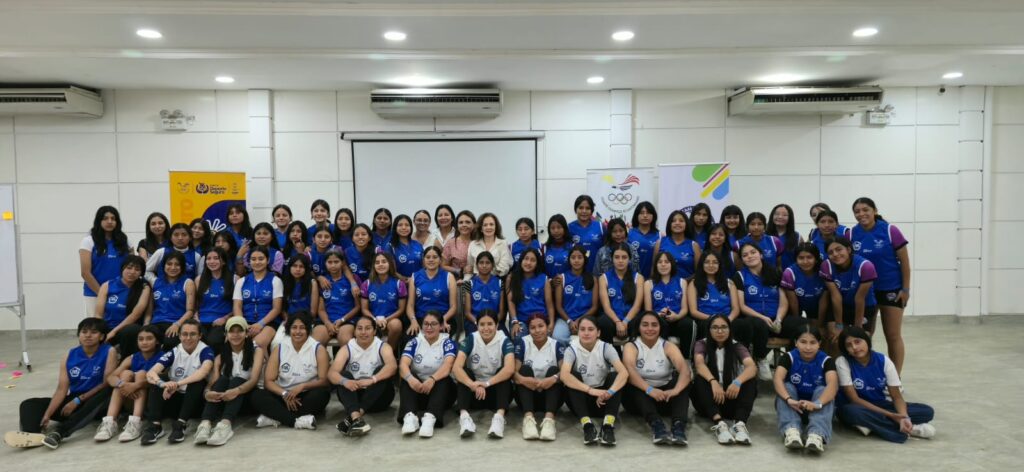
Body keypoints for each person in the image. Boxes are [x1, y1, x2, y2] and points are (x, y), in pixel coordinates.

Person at [8, 318, 117, 450]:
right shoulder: (69, 355)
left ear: (101, 336)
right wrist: (48, 414)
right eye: (84, 332)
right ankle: (32, 435)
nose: (88, 335)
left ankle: (60, 432)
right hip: (74, 400)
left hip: (97, 400)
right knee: (30, 404)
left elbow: (106, 383)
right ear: (79, 335)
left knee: (108, 391)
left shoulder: (109, 351)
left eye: (94, 332)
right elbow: (61, 389)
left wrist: (78, 400)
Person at [835, 326, 935, 443]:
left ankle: (875, 425)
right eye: (849, 345)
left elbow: (896, 397)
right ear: (845, 349)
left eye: (857, 342)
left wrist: (904, 417)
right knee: (851, 412)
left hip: (880, 404)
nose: (854, 347)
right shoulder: (842, 362)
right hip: (856, 407)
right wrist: (891, 415)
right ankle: (910, 429)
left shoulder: (884, 361)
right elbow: (854, 399)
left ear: (867, 340)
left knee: (927, 411)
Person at [850, 197, 910, 374]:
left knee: (892, 335)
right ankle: (867, 375)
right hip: (865, 291)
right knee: (864, 335)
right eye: (857, 211)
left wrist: (905, 289)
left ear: (875, 211)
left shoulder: (890, 230)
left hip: (891, 289)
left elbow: (905, 263)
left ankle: (895, 379)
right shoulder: (852, 234)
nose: (861, 214)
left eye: (865, 210)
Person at [250, 311, 331, 430]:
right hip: (283, 395)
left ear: (308, 329)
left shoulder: (318, 348)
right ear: (288, 329)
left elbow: (324, 381)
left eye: (302, 328)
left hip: (306, 395)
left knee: (322, 394)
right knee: (257, 395)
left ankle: (276, 416)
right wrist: (285, 394)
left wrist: (303, 386)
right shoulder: (279, 348)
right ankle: (297, 421)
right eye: (294, 327)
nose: (298, 331)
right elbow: (269, 381)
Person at [622, 311, 691, 446]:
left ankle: (678, 426)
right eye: (645, 325)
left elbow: (685, 371)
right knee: (632, 383)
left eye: (654, 325)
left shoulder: (668, 345)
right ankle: (657, 425)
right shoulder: (631, 346)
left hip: (665, 397)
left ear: (660, 327)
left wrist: (675, 391)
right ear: (638, 327)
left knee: (682, 382)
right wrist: (649, 390)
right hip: (640, 401)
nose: (650, 329)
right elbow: (629, 371)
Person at [194, 317, 264, 446]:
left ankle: (225, 425)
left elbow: (254, 380)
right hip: (228, 399)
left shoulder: (256, 350)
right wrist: (207, 392)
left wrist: (236, 391)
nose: (235, 335)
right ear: (226, 334)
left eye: (239, 331)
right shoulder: (221, 355)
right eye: (232, 331)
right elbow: (213, 381)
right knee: (222, 380)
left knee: (237, 380)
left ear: (246, 333)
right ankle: (205, 423)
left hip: (250, 398)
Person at [142, 319, 214, 445]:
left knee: (197, 381)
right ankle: (155, 426)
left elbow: (203, 372)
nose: (188, 338)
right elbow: (151, 373)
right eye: (184, 334)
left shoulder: (206, 351)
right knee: (158, 380)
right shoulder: (175, 351)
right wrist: (163, 384)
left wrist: (177, 384)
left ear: (200, 336)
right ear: (179, 336)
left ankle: (180, 424)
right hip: (173, 400)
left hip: (195, 403)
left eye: (192, 334)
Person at [560, 316, 629, 446]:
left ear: (598, 333)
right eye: (582, 329)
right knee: (572, 375)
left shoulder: (606, 348)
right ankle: (587, 425)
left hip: (603, 401)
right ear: (578, 332)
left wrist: (609, 392)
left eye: (590, 329)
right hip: (581, 401)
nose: (586, 333)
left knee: (614, 376)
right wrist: (591, 391)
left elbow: (624, 373)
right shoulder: (571, 349)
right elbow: (564, 375)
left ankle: (608, 425)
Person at [691, 315, 757, 445]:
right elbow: (699, 364)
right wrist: (713, 381)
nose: (720, 331)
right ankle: (719, 424)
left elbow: (751, 367)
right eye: (715, 327)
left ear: (729, 329)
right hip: (709, 402)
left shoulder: (737, 346)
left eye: (724, 327)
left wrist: (737, 382)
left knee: (750, 380)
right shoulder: (702, 344)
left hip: (730, 398)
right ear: (709, 330)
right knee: (700, 379)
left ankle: (739, 424)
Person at [329, 316, 398, 437]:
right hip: (355, 396)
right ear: (355, 331)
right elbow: (331, 373)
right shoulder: (347, 348)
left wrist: (372, 380)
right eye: (360, 328)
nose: (363, 332)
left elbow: (392, 366)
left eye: (368, 328)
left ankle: (353, 416)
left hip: (378, 398)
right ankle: (357, 418)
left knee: (382, 371)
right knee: (343, 376)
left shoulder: (382, 346)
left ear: (374, 331)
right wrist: (345, 382)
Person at [773, 325, 837, 452]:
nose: (808, 347)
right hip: (793, 407)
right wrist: (788, 399)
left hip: (818, 409)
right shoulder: (788, 357)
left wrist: (817, 404)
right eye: (803, 342)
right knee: (787, 386)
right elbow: (777, 379)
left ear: (819, 344)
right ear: (796, 342)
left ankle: (816, 435)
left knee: (822, 389)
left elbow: (833, 385)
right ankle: (792, 431)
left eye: (813, 342)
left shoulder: (826, 360)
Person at [94, 325, 163, 443]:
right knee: (125, 374)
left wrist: (136, 385)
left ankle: (136, 422)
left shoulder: (163, 357)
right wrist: (123, 384)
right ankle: (110, 422)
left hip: (152, 402)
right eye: (141, 339)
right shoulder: (132, 358)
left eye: (149, 338)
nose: (144, 342)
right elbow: (111, 377)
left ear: (157, 341)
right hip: (131, 399)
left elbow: (162, 380)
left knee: (141, 374)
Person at [734, 242, 792, 381]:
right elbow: (742, 306)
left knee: (798, 325)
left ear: (760, 254)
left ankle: (793, 367)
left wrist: (778, 319)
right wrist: (762, 317)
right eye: (745, 255)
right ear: (742, 260)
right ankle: (761, 359)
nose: (750, 256)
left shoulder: (776, 273)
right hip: (754, 318)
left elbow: (783, 302)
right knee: (757, 324)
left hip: (776, 317)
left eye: (753, 252)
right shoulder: (740, 276)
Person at [453, 312, 515, 438]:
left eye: (490, 324)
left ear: (497, 325)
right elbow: (456, 367)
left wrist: (487, 384)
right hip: (474, 394)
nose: (486, 328)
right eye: (482, 324)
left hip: (495, 394)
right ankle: (464, 417)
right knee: (465, 372)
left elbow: (510, 369)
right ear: (477, 326)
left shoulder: (504, 340)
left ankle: (499, 418)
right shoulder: (471, 338)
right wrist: (472, 384)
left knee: (503, 372)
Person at [398, 312, 457, 438]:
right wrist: (411, 379)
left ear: (441, 326)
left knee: (444, 378)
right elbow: (403, 364)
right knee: (407, 376)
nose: (429, 327)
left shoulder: (447, 343)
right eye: (426, 324)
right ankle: (410, 417)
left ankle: (430, 418)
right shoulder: (414, 342)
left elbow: (448, 366)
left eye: (433, 324)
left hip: (442, 394)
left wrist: (432, 379)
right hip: (419, 391)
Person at [514, 314, 564, 441]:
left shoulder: (556, 345)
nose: (537, 330)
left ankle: (549, 421)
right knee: (524, 369)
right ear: (528, 330)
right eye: (533, 327)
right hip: (527, 396)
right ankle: (528, 419)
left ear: (548, 327)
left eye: (541, 326)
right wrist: (524, 380)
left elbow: (565, 371)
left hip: (551, 397)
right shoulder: (522, 342)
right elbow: (513, 372)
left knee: (554, 370)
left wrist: (553, 379)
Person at [820, 238, 878, 340]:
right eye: (830, 252)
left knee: (860, 340)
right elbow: (836, 296)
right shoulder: (826, 266)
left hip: (864, 306)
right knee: (835, 337)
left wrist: (857, 327)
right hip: (842, 306)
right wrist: (839, 325)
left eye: (839, 249)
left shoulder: (865, 266)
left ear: (848, 249)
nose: (835, 254)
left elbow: (859, 299)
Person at [95, 255, 150, 357]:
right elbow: (98, 314)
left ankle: (125, 361)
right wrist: (98, 331)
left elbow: (136, 314)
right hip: (107, 327)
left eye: (137, 269)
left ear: (141, 273)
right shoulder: (107, 285)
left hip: (126, 328)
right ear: (122, 268)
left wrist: (113, 332)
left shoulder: (144, 287)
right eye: (129, 268)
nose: (132, 272)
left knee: (131, 331)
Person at [643, 252, 695, 358]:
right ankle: (661, 359)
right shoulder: (649, 284)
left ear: (672, 264)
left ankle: (687, 359)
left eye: (666, 262)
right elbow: (648, 310)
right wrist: (658, 315)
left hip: (677, 318)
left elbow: (685, 309)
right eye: (660, 262)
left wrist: (676, 316)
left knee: (688, 324)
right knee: (661, 323)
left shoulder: (682, 282)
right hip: (658, 319)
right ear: (655, 265)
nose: (663, 264)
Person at [80, 206, 131, 316]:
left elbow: (133, 268)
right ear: (99, 221)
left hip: (121, 293)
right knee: (96, 325)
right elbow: (85, 273)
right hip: (94, 294)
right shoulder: (88, 241)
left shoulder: (125, 241)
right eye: (105, 218)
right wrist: (102, 294)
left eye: (113, 218)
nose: (110, 221)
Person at [232, 246, 283, 350]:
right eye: (253, 259)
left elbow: (277, 309)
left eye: (261, 259)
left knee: (257, 344)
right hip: (246, 321)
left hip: (268, 322)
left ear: (268, 260)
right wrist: (243, 324)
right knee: (232, 341)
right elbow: (237, 306)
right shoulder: (241, 281)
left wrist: (260, 324)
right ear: (249, 261)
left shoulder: (276, 280)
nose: (257, 262)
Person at [146, 251, 197, 351]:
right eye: (169, 264)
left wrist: (177, 324)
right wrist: (146, 325)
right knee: (146, 341)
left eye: (177, 264)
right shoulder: (155, 282)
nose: (173, 267)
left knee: (170, 342)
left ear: (182, 267)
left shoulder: (188, 283)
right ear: (163, 266)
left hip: (177, 322)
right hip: (156, 323)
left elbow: (190, 311)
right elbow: (149, 311)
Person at [361, 252, 408, 353]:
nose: (381, 264)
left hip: (391, 319)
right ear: (374, 266)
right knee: (362, 326)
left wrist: (386, 320)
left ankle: (388, 353)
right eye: (377, 262)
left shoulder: (399, 284)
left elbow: (401, 309)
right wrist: (375, 320)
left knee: (396, 325)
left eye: (384, 261)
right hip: (372, 319)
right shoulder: (366, 284)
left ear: (390, 264)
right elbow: (364, 309)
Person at [598, 243, 645, 344]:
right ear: (612, 259)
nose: (620, 260)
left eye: (624, 257)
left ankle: (633, 351)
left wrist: (625, 321)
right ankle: (609, 352)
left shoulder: (639, 278)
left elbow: (637, 306)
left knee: (639, 321)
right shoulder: (603, 278)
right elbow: (606, 307)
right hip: (612, 318)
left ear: (629, 259)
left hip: (630, 318)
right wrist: (618, 322)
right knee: (603, 322)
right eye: (617, 257)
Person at [314, 248, 362, 346]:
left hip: (346, 320)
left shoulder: (352, 280)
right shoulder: (323, 282)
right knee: (315, 343)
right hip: (326, 321)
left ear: (342, 263)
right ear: (325, 264)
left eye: (336, 262)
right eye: (329, 262)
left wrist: (342, 320)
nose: (333, 265)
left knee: (345, 341)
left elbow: (357, 307)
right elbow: (321, 309)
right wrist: (327, 323)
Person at [687, 252, 740, 339]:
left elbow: (736, 308)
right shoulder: (694, 283)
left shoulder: (729, 282)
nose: (711, 265)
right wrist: (713, 319)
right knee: (706, 326)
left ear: (719, 265)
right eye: (707, 262)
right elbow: (693, 311)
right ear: (702, 264)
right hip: (705, 319)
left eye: (715, 262)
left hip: (727, 318)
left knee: (742, 325)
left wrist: (728, 319)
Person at [553, 245, 598, 343]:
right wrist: (569, 321)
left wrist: (579, 320)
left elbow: (594, 307)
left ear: (584, 259)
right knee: (557, 337)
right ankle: (573, 348)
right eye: (573, 257)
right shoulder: (561, 278)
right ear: (569, 260)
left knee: (589, 337)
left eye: (580, 257)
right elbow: (558, 306)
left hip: (586, 318)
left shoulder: (592, 279)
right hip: (565, 319)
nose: (576, 260)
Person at [407, 246, 458, 333]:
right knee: (410, 338)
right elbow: (410, 305)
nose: (431, 260)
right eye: (428, 257)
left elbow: (453, 307)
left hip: (443, 318)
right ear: (423, 260)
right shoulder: (415, 276)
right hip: (421, 319)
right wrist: (413, 321)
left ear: (440, 260)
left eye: (435, 257)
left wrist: (443, 320)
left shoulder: (449, 277)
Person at [781, 243, 827, 334]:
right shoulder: (789, 273)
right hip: (798, 306)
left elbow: (824, 300)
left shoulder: (824, 270)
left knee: (825, 332)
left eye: (809, 257)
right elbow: (793, 302)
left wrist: (820, 324)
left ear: (816, 259)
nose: (805, 262)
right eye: (801, 258)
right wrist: (798, 323)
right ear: (796, 259)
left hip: (818, 306)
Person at [507, 248, 553, 339]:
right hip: (521, 320)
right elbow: (511, 302)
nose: (528, 263)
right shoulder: (512, 277)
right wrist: (515, 322)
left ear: (537, 263)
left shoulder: (544, 279)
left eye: (532, 260)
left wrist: (551, 323)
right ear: (521, 260)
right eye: (526, 259)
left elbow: (549, 304)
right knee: (518, 336)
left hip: (540, 319)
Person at [195, 248, 235, 350]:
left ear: (224, 261)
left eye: (216, 258)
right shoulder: (199, 279)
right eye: (208, 259)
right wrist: (196, 317)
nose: (212, 261)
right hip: (201, 321)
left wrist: (225, 319)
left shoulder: (234, 279)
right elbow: (195, 304)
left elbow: (237, 306)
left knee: (214, 341)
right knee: (196, 340)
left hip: (222, 320)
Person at [464, 251, 504, 336]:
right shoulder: (470, 283)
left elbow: (501, 312)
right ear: (476, 265)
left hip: (494, 322)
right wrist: (479, 323)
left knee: (506, 340)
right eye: (481, 263)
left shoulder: (499, 283)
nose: (484, 265)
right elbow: (467, 313)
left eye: (487, 263)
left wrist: (492, 324)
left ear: (492, 265)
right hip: (474, 322)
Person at [653, 210, 700, 279]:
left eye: (681, 221)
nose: (677, 223)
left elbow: (699, 272)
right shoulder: (660, 243)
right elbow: (654, 269)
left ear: (686, 224)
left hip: (688, 284)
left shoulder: (694, 245)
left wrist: (683, 282)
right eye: (674, 221)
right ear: (669, 224)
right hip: (663, 285)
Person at [466, 212, 513, 279]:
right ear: (481, 229)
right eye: (485, 225)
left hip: (497, 280)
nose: (488, 227)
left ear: (496, 227)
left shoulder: (503, 243)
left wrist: (485, 274)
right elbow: (470, 266)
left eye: (491, 224)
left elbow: (504, 268)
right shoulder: (473, 244)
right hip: (476, 281)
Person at [282, 254, 321, 327]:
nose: (298, 269)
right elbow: (283, 308)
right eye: (294, 266)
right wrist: (287, 319)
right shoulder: (284, 283)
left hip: (307, 321)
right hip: (289, 320)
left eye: (301, 266)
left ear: (306, 269)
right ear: (289, 267)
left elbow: (313, 312)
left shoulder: (312, 283)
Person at [568, 195, 604, 274]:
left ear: (592, 211)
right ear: (576, 210)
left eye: (587, 208)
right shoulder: (569, 228)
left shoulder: (600, 227)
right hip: (577, 275)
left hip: (597, 273)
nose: (584, 211)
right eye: (581, 208)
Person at [628, 202, 660, 278]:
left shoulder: (659, 236)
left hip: (652, 279)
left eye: (648, 213)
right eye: (642, 213)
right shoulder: (629, 233)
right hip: (631, 279)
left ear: (653, 216)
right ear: (637, 215)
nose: (645, 215)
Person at [768, 203, 803, 269]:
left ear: (790, 218)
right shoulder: (764, 236)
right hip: (769, 274)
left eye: (784, 215)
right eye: (777, 214)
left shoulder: (797, 237)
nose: (780, 217)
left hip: (791, 273)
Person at [441, 210, 475, 277]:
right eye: (461, 222)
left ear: (474, 224)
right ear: (457, 225)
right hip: (457, 281)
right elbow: (443, 266)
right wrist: (459, 271)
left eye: (468, 222)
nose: (464, 225)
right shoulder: (451, 243)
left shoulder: (479, 242)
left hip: (479, 280)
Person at [390, 214, 424, 280]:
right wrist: (406, 280)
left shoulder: (418, 245)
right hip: (400, 283)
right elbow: (392, 271)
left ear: (411, 227)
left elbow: (424, 267)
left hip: (419, 281)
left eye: (407, 225)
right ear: (395, 227)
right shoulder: (390, 246)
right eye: (400, 225)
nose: (404, 227)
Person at [543, 214, 572, 278]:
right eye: (552, 228)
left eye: (559, 227)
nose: (556, 231)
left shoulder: (572, 246)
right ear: (549, 230)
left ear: (564, 228)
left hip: (568, 283)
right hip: (549, 283)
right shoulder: (544, 248)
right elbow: (540, 270)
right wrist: (549, 281)